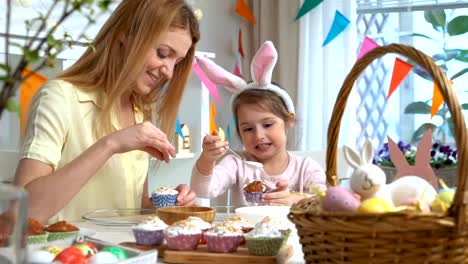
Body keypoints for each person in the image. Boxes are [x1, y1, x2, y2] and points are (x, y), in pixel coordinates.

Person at [14, 0, 200, 223]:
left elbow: (129, 208)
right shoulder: (59, 97)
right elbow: (21, 214)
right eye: (162, 53)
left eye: (176, 62)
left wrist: (166, 206)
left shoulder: (141, 111)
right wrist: (110, 145)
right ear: (124, 34)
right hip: (67, 255)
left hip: (124, 255)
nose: (169, 72)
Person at [191, 41, 326, 206]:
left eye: (268, 125)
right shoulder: (236, 164)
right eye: (248, 129)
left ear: (289, 121)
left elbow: (328, 202)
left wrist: (297, 200)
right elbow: (202, 190)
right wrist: (207, 158)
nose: (258, 136)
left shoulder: (306, 168)